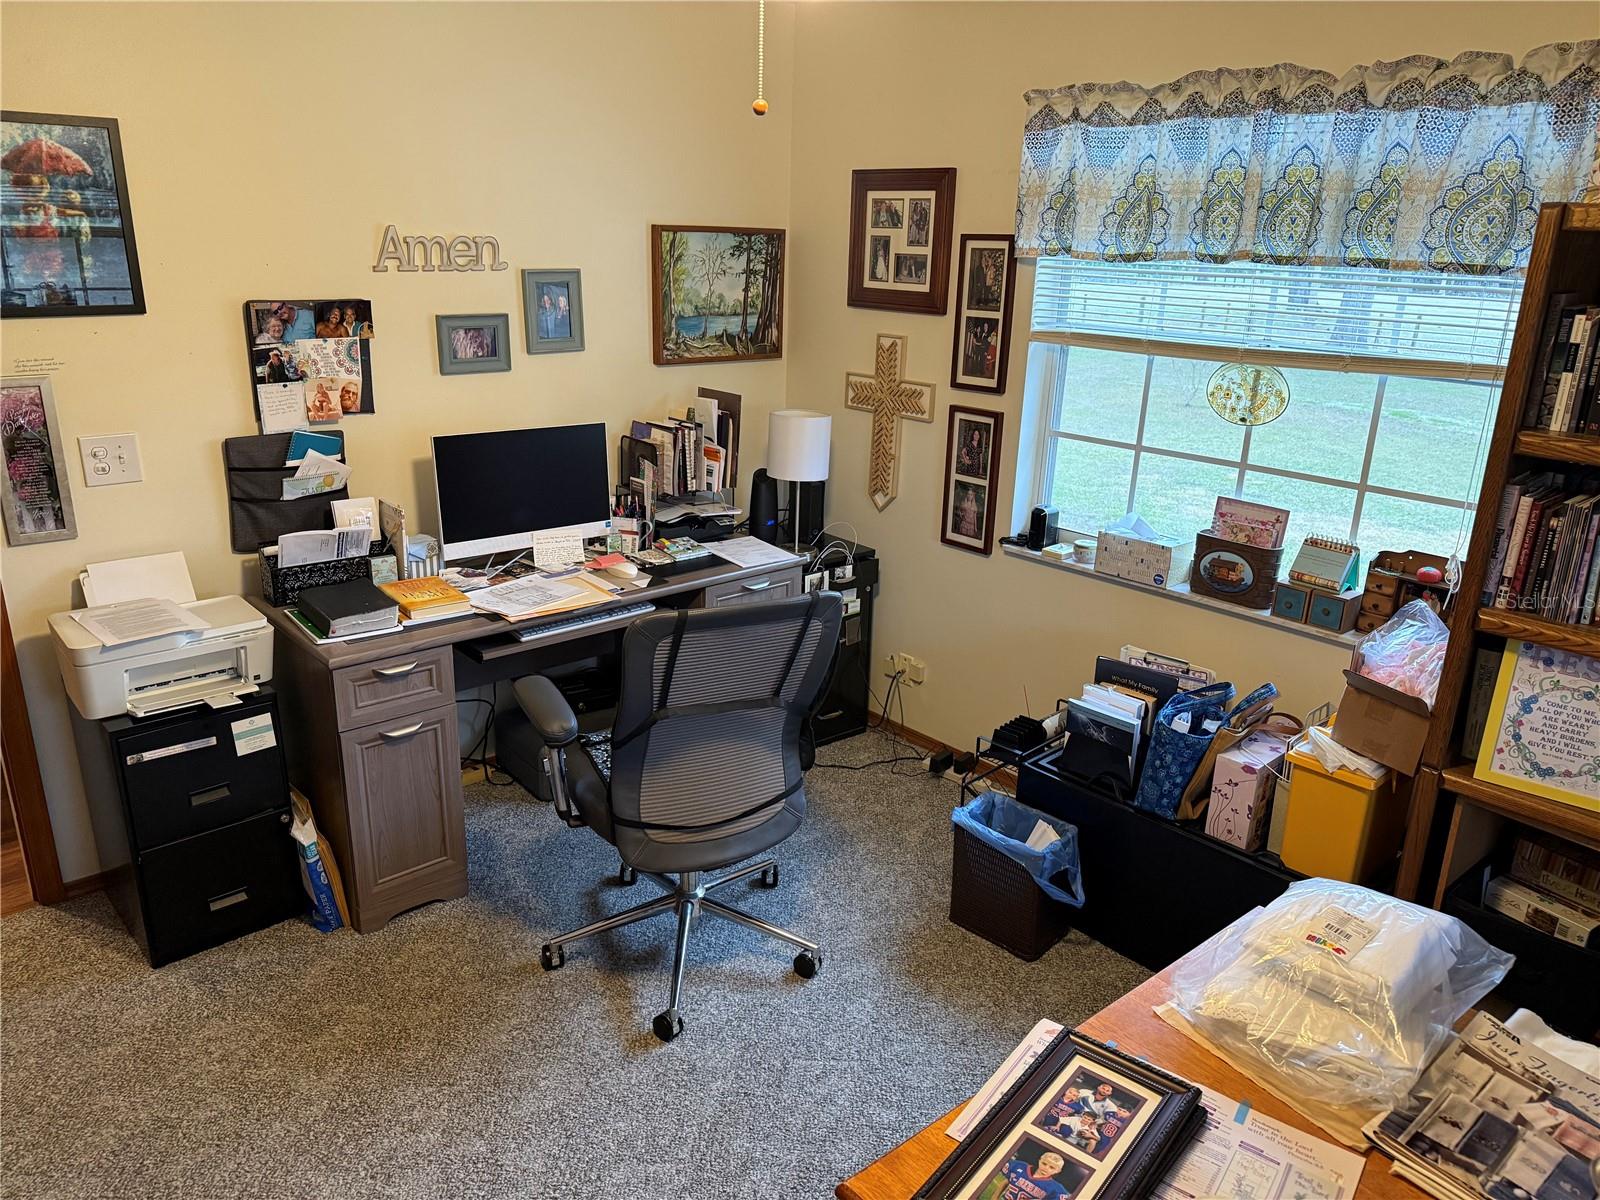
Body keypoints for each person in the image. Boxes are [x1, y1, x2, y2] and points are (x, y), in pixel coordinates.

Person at [998, 1151, 1075, 1200]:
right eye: (1044, 1163)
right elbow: (1005, 1182)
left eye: (1052, 1167)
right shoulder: (1020, 1166)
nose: (1046, 1168)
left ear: (1057, 1171)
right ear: (1039, 1161)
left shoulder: (1055, 1189)